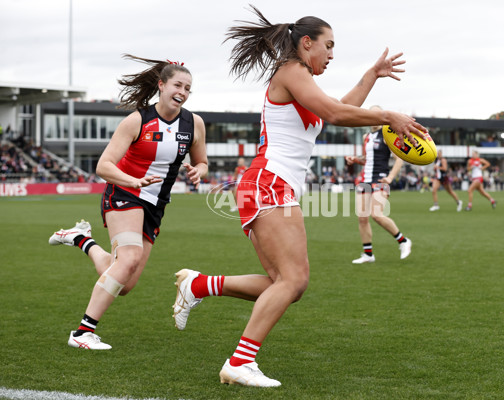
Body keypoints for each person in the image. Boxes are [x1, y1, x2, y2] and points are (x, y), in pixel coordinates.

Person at [171, 6, 428, 388]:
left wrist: (371, 77)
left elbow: (335, 110)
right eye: (328, 45)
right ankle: (239, 362)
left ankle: (200, 286)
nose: (331, 54)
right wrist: (387, 115)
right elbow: (335, 113)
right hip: (268, 183)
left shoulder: (301, 78)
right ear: (306, 43)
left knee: (286, 283)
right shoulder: (294, 71)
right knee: (292, 281)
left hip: (269, 184)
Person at [49, 54, 208, 350]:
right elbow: (104, 165)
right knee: (130, 259)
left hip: (156, 204)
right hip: (124, 193)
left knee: (125, 283)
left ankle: (81, 239)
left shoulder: (194, 123)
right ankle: (82, 333)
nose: (183, 92)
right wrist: (131, 181)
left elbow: (203, 162)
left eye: (188, 88)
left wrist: (199, 170)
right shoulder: (138, 120)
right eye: (177, 85)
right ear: (161, 85)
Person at [345, 106, 412, 264]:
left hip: (380, 178)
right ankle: (368, 254)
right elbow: (367, 159)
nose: (373, 116)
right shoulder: (366, 136)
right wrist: (355, 159)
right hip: (365, 179)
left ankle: (403, 241)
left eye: (376, 113)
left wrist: (390, 177)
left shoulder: (388, 135)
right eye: (370, 113)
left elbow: (399, 158)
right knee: (362, 218)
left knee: (377, 215)